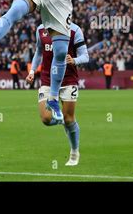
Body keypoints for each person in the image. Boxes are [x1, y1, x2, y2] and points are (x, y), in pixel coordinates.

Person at [26, 22, 89, 166]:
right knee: (46, 119)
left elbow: (85, 56)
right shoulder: (40, 29)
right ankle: (60, 119)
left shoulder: (74, 30)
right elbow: (39, 52)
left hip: (68, 81)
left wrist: (74, 60)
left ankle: (74, 152)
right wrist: (31, 71)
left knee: (69, 119)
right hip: (47, 80)